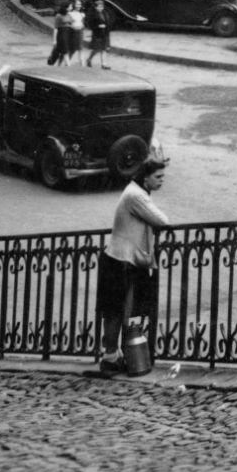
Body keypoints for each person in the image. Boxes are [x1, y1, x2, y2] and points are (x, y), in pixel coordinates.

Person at [96, 159, 171, 374]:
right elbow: (162, 220)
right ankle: (111, 357)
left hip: (121, 260)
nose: (161, 181)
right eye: (158, 177)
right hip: (121, 261)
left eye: (163, 177)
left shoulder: (135, 192)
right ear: (145, 177)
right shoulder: (136, 196)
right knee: (117, 311)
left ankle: (114, 355)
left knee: (120, 310)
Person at [84, 0, 112, 69]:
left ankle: (104, 64)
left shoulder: (105, 13)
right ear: (96, 7)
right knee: (96, 49)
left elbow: (108, 23)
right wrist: (98, 26)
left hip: (105, 33)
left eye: (102, 7)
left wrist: (106, 26)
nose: (101, 8)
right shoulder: (93, 15)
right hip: (97, 34)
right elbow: (90, 25)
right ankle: (89, 59)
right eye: (99, 7)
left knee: (104, 49)